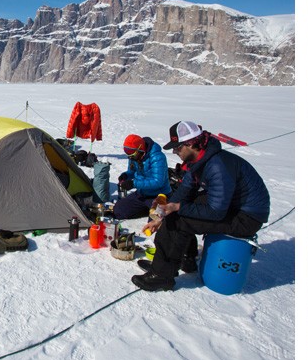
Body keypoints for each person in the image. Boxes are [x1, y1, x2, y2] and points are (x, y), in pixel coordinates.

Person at [131, 121, 271, 291]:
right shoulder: (199, 161)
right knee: (178, 212)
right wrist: (161, 215)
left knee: (180, 219)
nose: (175, 151)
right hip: (231, 206)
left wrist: (176, 209)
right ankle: (183, 260)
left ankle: (161, 275)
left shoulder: (217, 165)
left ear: (191, 144)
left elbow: (215, 212)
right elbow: (184, 191)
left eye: (177, 147)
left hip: (247, 217)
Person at [112, 134, 171, 220]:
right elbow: (132, 171)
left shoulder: (157, 157)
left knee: (156, 221)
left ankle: (154, 210)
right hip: (142, 194)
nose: (130, 158)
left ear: (140, 149)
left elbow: (158, 181)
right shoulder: (134, 156)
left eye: (132, 155)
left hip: (159, 195)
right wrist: (126, 175)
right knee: (118, 211)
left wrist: (134, 183)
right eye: (128, 156)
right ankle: (147, 209)